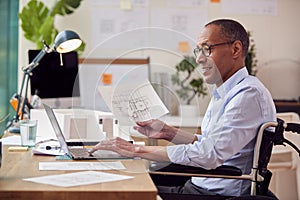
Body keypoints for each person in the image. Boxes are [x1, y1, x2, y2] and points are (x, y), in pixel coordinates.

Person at [89, 19, 276, 197]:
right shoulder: (228, 91)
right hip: (200, 185)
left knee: (124, 191)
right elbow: (212, 143)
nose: (199, 59)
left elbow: (211, 154)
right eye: (198, 51)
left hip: (213, 194)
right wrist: (168, 132)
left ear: (236, 49)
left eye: (207, 49)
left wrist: (136, 151)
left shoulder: (248, 94)